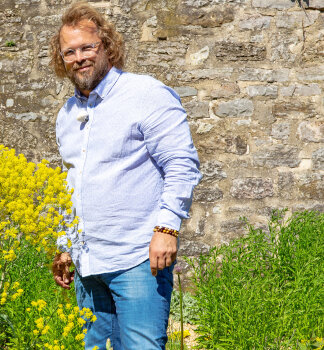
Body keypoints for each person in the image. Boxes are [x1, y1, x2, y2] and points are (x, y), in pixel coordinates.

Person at [49, 3, 201, 350]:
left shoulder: (145, 94)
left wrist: (166, 228)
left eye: (87, 47)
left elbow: (181, 164)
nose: (79, 58)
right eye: (69, 52)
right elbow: (72, 182)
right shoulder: (67, 114)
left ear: (107, 46)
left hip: (137, 259)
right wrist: (64, 244)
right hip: (88, 265)